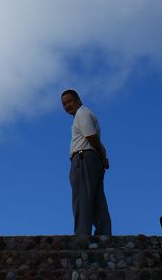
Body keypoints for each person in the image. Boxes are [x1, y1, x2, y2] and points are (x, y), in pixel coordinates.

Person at [61, 89, 112, 236]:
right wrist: (102, 156)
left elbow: (90, 135)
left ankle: (82, 236)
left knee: (82, 198)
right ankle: (104, 234)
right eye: (64, 104)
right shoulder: (85, 113)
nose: (67, 106)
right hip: (92, 158)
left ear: (78, 100)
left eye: (69, 101)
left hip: (83, 158)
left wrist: (102, 155)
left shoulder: (82, 113)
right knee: (97, 200)